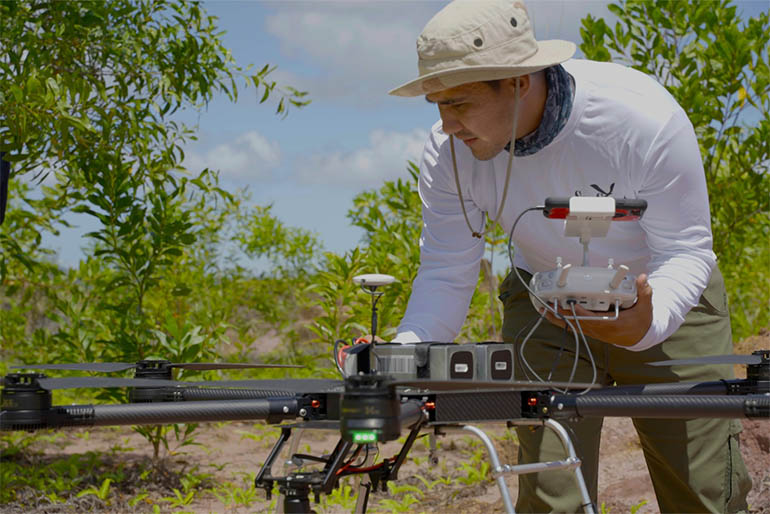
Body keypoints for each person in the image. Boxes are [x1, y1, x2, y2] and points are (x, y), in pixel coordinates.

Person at [387, 0, 751, 512]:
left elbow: (686, 249)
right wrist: (403, 357)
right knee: (553, 497)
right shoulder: (448, 152)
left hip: (664, 299)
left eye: (461, 103)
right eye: (437, 105)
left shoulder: (642, 118)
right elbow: (447, 268)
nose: (448, 124)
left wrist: (645, 323)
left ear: (518, 81)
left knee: (705, 495)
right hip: (544, 309)